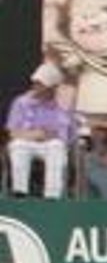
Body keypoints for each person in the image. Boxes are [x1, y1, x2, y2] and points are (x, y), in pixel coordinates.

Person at [6, 62, 74, 198]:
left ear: (53, 88)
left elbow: (65, 135)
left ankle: (52, 196)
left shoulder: (62, 105)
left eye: (41, 84)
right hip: (26, 141)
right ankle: (20, 193)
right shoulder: (21, 102)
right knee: (18, 145)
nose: (36, 86)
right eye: (36, 82)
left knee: (56, 146)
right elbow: (12, 132)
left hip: (51, 144)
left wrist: (49, 135)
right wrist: (35, 135)